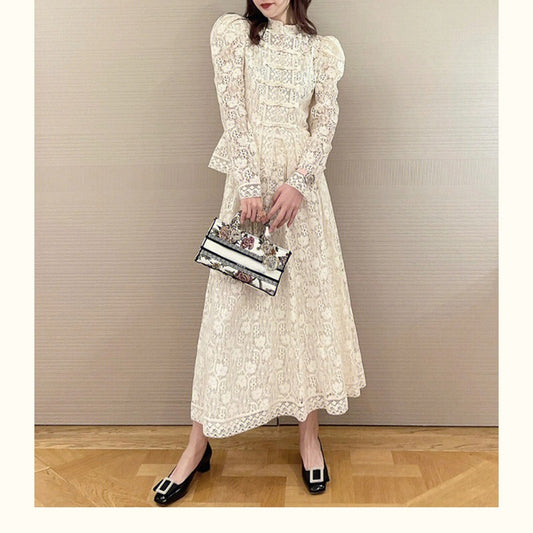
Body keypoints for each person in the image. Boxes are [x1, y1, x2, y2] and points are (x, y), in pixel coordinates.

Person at [153, 0, 366, 505]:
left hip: (301, 202)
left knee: (305, 312)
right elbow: (233, 113)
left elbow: (324, 124)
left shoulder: (322, 51)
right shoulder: (234, 36)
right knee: (227, 318)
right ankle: (197, 446)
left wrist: (299, 184)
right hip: (249, 197)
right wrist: (248, 183)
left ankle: (309, 438)